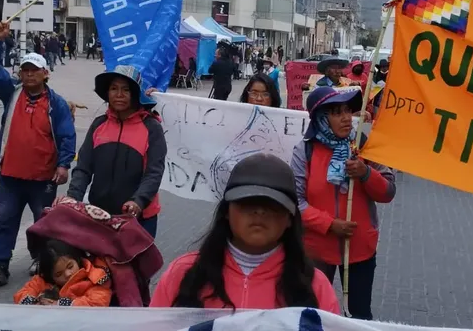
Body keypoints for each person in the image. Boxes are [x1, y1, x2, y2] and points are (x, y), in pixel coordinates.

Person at [150, 154, 340, 313]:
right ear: (226, 211)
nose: (259, 212)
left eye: (272, 204)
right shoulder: (182, 274)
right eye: (247, 202)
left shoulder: (316, 287)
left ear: (290, 218)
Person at [0, 22, 76, 287]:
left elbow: (67, 135)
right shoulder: (12, 93)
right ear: (20, 74)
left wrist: (64, 164)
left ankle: (42, 261)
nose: (29, 75)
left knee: (44, 223)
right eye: (25, 70)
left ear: (45, 73)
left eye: (34, 70)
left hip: (43, 179)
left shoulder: (57, 104)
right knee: (3, 220)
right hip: (10, 176)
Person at [291, 87, 396, 320]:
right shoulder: (305, 151)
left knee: (360, 316)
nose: (347, 118)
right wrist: (329, 224)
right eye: (337, 112)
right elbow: (295, 202)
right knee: (312, 314)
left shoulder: (363, 146)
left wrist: (366, 173)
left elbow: (388, 192)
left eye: (348, 110)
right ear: (321, 118)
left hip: (360, 249)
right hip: (316, 250)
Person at [67, 65, 167, 239]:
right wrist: (72, 197)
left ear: (135, 94)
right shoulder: (99, 124)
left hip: (139, 218)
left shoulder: (152, 128)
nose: (119, 94)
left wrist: (138, 201)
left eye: (126, 89)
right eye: (114, 88)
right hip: (99, 215)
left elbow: (154, 172)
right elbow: (83, 167)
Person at [14, 239, 112, 307]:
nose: (68, 274)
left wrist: (61, 304)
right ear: (50, 276)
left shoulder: (95, 277)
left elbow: (98, 302)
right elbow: (23, 293)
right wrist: (35, 304)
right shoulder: (42, 281)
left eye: (70, 266)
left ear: (77, 259)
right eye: (58, 274)